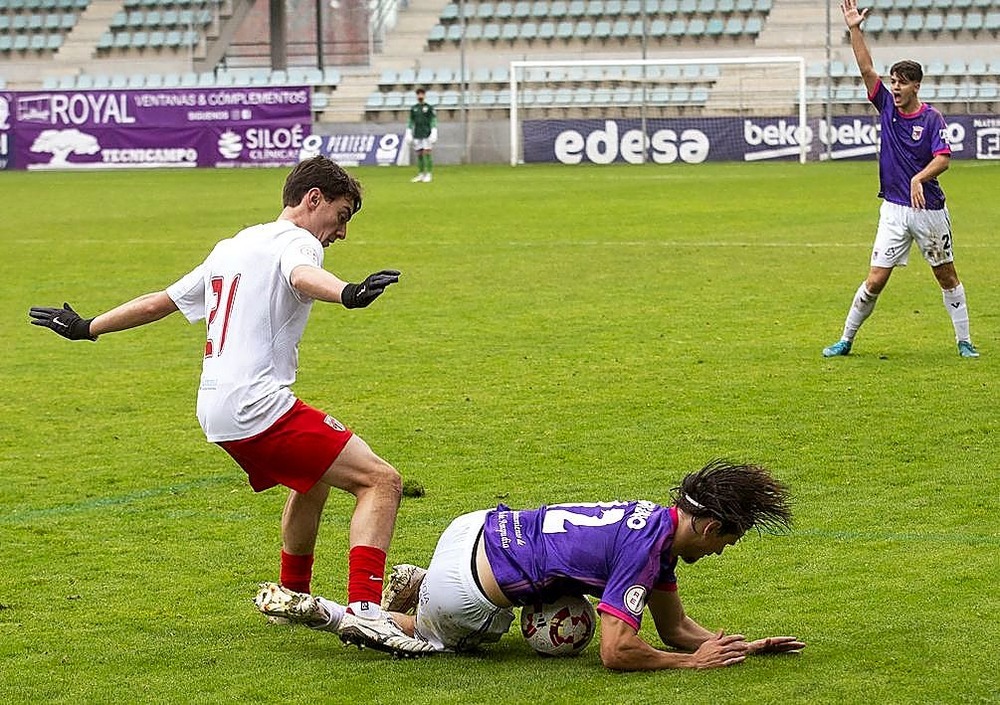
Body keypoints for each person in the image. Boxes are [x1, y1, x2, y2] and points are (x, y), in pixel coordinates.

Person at [28, 155, 435, 658]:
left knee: (314, 481)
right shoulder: (297, 241)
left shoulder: (234, 244)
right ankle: (368, 614)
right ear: (313, 200)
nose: (342, 232)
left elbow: (163, 300)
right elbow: (302, 275)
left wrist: (88, 327)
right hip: (256, 406)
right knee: (381, 480)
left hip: (216, 408)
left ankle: (295, 593)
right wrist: (347, 293)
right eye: (343, 214)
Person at [256, 459, 805, 670]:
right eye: (726, 542)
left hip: (472, 528)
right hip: (467, 589)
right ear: (710, 528)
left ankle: (417, 581)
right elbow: (616, 652)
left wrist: (739, 646)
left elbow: (674, 626)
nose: (722, 552)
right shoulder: (647, 551)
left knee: (504, 600)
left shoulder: (652, 524)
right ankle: (333, 612)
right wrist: (688, 665)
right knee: (441, 642)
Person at [822, 0, 979, 359]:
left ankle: (964, 341)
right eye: (893, 81)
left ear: (916, 87)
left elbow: (943, 159)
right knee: (875, 279)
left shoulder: (932, 118)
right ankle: (845, 340)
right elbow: (865, 68)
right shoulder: (887, 107)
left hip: (928, 211)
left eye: (902, 83)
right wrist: (855, 28)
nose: (894, 88)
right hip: (893, 210)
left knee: (946, 276)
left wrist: (919, 178)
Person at [405, 87, 438, 183]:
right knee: (419, 153)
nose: (420, 96)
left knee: (426, 152)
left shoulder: (429, 108)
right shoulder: (414, 108)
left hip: (426, 133)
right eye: (418, 94)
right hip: (417, 134)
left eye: (421, 94)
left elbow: (433, 120)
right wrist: (408, 131)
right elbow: (411, 121)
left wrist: (434, 130)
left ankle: (428, 174)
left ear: (424, 95)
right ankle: (421, 174)